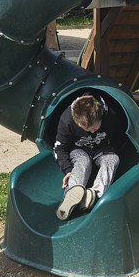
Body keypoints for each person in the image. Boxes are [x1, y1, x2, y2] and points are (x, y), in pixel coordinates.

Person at [53, 91, 127, 221]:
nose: (92, 131)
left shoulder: (112, 114)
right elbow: (60, 147)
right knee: (83, 161)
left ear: (101, 115)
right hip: (79, 149)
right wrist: (68, 170)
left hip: (103, 149)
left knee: (112, 159)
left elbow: (122, 135)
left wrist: (114, 148)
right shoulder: (67, 120)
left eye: (94, 128)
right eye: (86, 129)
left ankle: (93, 195)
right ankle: (72, 193)